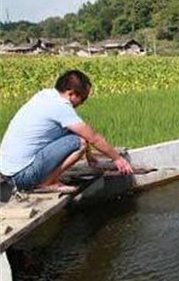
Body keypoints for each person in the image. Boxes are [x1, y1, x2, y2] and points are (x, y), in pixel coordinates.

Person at [0, 69, 133, 193]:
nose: (82, 103)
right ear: (71, 93)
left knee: (77, 134)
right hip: (22, 177)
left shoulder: (45, 95)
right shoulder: (60, 106)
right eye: (83, 98)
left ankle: (49, 178)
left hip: (8, 172)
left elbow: (81, 130)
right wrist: (118, 159)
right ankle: (47, 183)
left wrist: (90, 157)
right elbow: (93, 137)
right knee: (79, 142)